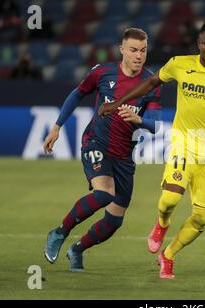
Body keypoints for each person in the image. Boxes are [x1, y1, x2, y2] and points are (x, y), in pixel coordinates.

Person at [99, 20, 205, 279]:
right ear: (199, 44)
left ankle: (168, 255)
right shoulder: (179, 64)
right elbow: (149, 85)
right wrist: (117, 103)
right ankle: (162, 224)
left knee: (202, 219)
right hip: (184, 142)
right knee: (170, 199)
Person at [43, 28, 161, 272]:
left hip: (124, 155)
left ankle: (77, 249)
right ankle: (59, 232)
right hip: (95, 143)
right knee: (104, 193)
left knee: (114, 220)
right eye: (133, 50)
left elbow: (156, 124)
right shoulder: (102, 72)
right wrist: (56, 127)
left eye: (143, 50)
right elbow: (77, 94)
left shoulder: (151, 83)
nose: (139, 55)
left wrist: (140, 120)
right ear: (122, 50)